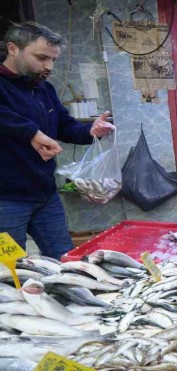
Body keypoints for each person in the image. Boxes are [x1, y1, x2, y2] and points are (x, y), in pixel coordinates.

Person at [0, 22, 114, 260]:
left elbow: (65, 126)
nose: (49, 66)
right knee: (10, 270)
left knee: (66, 261)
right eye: (42, 58)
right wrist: (32, 132)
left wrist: (91, 131)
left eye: (53, 60)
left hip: (45, 196)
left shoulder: (44, 89)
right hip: (6, 200)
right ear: (13, 49)